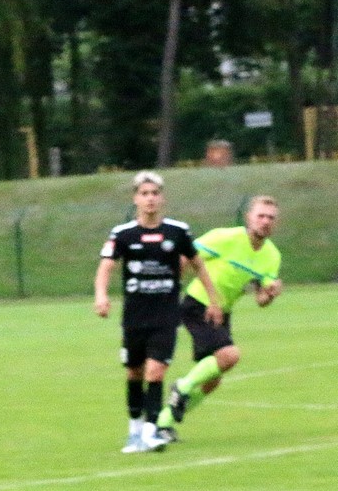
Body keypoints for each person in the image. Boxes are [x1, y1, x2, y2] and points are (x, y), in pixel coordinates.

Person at [93, 171, 222, 453]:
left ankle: (151, 431)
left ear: (162, 198)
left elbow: (198, 265)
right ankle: (134, 431)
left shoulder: (178, 231)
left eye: (154, 193)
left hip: (165, 316)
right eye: (144, 194)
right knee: (134, 373)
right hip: (134, 317)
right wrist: (101, 295)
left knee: (156, 371)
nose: (150, 199)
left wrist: (214, 300)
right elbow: (106, 266)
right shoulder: (123, 234)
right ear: (135, 199)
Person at [155, 196, 283, 443]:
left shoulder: (271, 256)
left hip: (222, 311)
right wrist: (169, 290)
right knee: (229, 355)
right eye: (261, 216)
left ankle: (163, 423)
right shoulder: (225, 237)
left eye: (271, 218)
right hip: (198, 303)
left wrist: (271, 293)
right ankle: (181, 387)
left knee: (212, 380)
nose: (265, 221)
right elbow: (186, 256)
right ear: (248, 217)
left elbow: (261, 299)